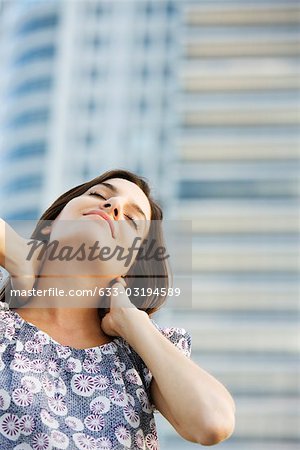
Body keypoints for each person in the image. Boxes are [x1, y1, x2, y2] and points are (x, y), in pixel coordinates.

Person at [0, 169, 235, 449]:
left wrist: (131, 321)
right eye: (99, 195)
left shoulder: (138, 359)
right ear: (51, 224)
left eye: (131, 219)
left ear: (129, 265)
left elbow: (213, 422)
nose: (112, 206)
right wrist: (17, 252)